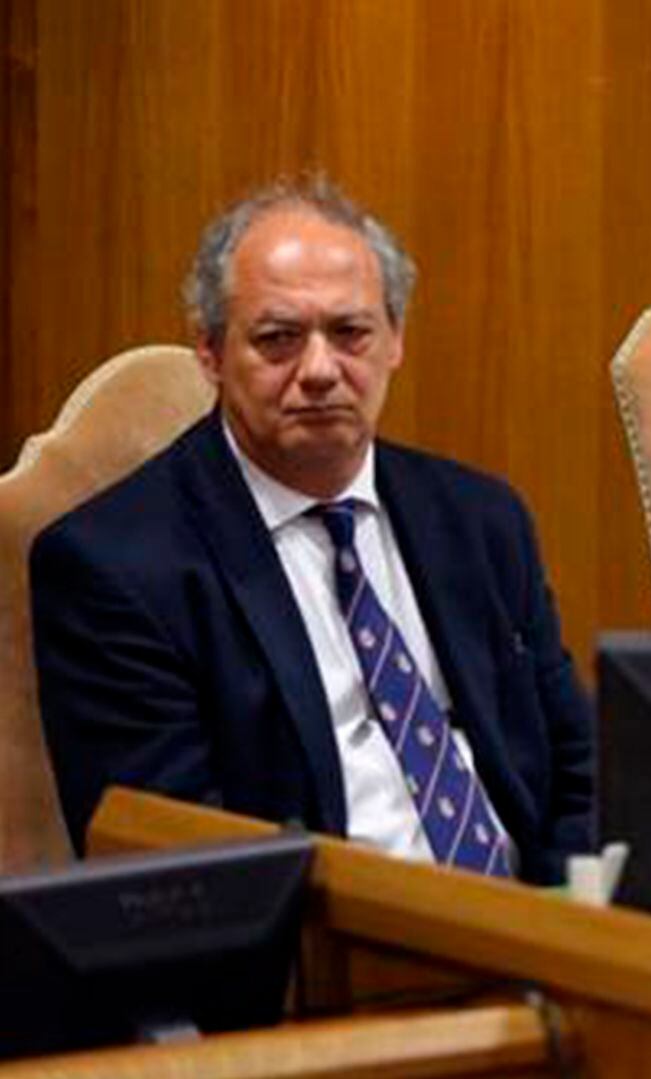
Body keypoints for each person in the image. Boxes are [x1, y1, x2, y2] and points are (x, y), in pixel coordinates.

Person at [30, 179, 593, 882]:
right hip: (317, 956)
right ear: (209, 351)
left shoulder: (481, 520)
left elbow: (578, 768)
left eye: (351, 332)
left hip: (540, 935)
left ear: (395, 341)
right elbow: (169, 860)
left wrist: (581, 931)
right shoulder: (115, 566)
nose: (322, 370)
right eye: (278, 339)